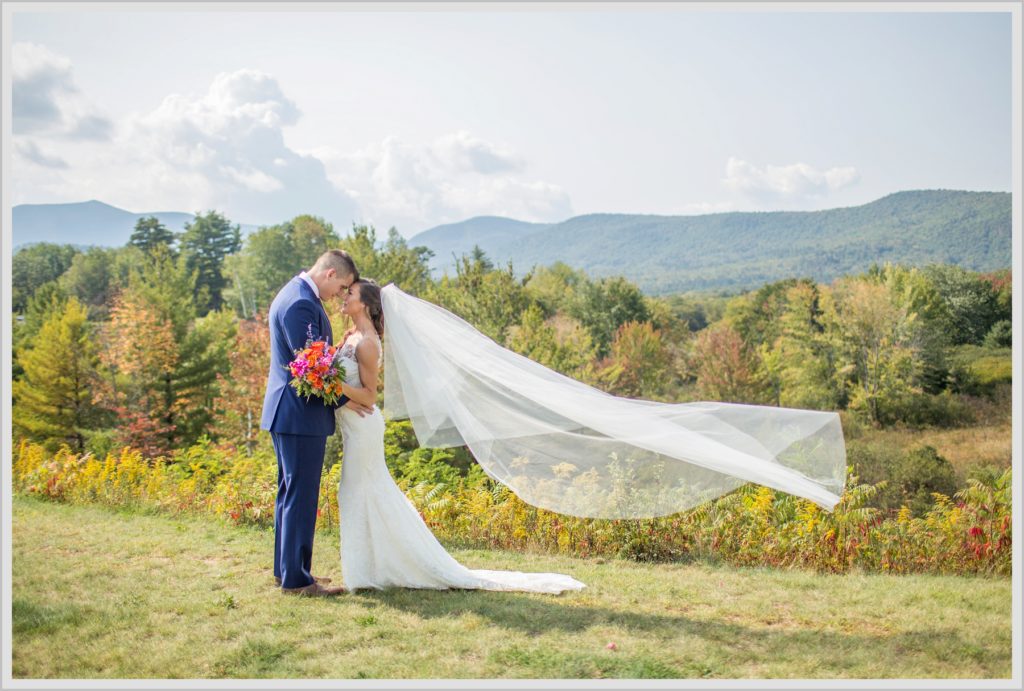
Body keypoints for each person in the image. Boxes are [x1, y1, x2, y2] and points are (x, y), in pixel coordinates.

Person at [334, 279, 586, 593]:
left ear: (368, 306)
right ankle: (373, 567)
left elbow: (370, 396)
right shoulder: (350, 336)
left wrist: (330, 386)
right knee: (358, 492)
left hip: (363, 428)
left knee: (360, 491)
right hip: (351, 425)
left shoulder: (368, 343)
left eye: (351, 293)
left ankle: (376, 571)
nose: (344, 297)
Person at [260, 250, 372, 597]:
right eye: (341, 287)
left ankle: (289, 570)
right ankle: (296, 580)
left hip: (291, 413)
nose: (339, 294)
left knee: (290, 493)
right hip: (298, 415)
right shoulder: (300, 304)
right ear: (329, 274)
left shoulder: (295, 294)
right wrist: (346, 400)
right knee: (301, 496)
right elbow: (312, 368)